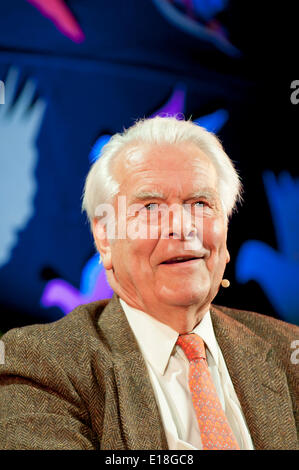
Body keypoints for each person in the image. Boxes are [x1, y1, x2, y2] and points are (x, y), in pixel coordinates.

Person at [0, 117, 298, 450]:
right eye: (151, 207)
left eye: (200, 204)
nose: (182, 228)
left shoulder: (290, 351)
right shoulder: (43, 363)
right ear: (105, 238)